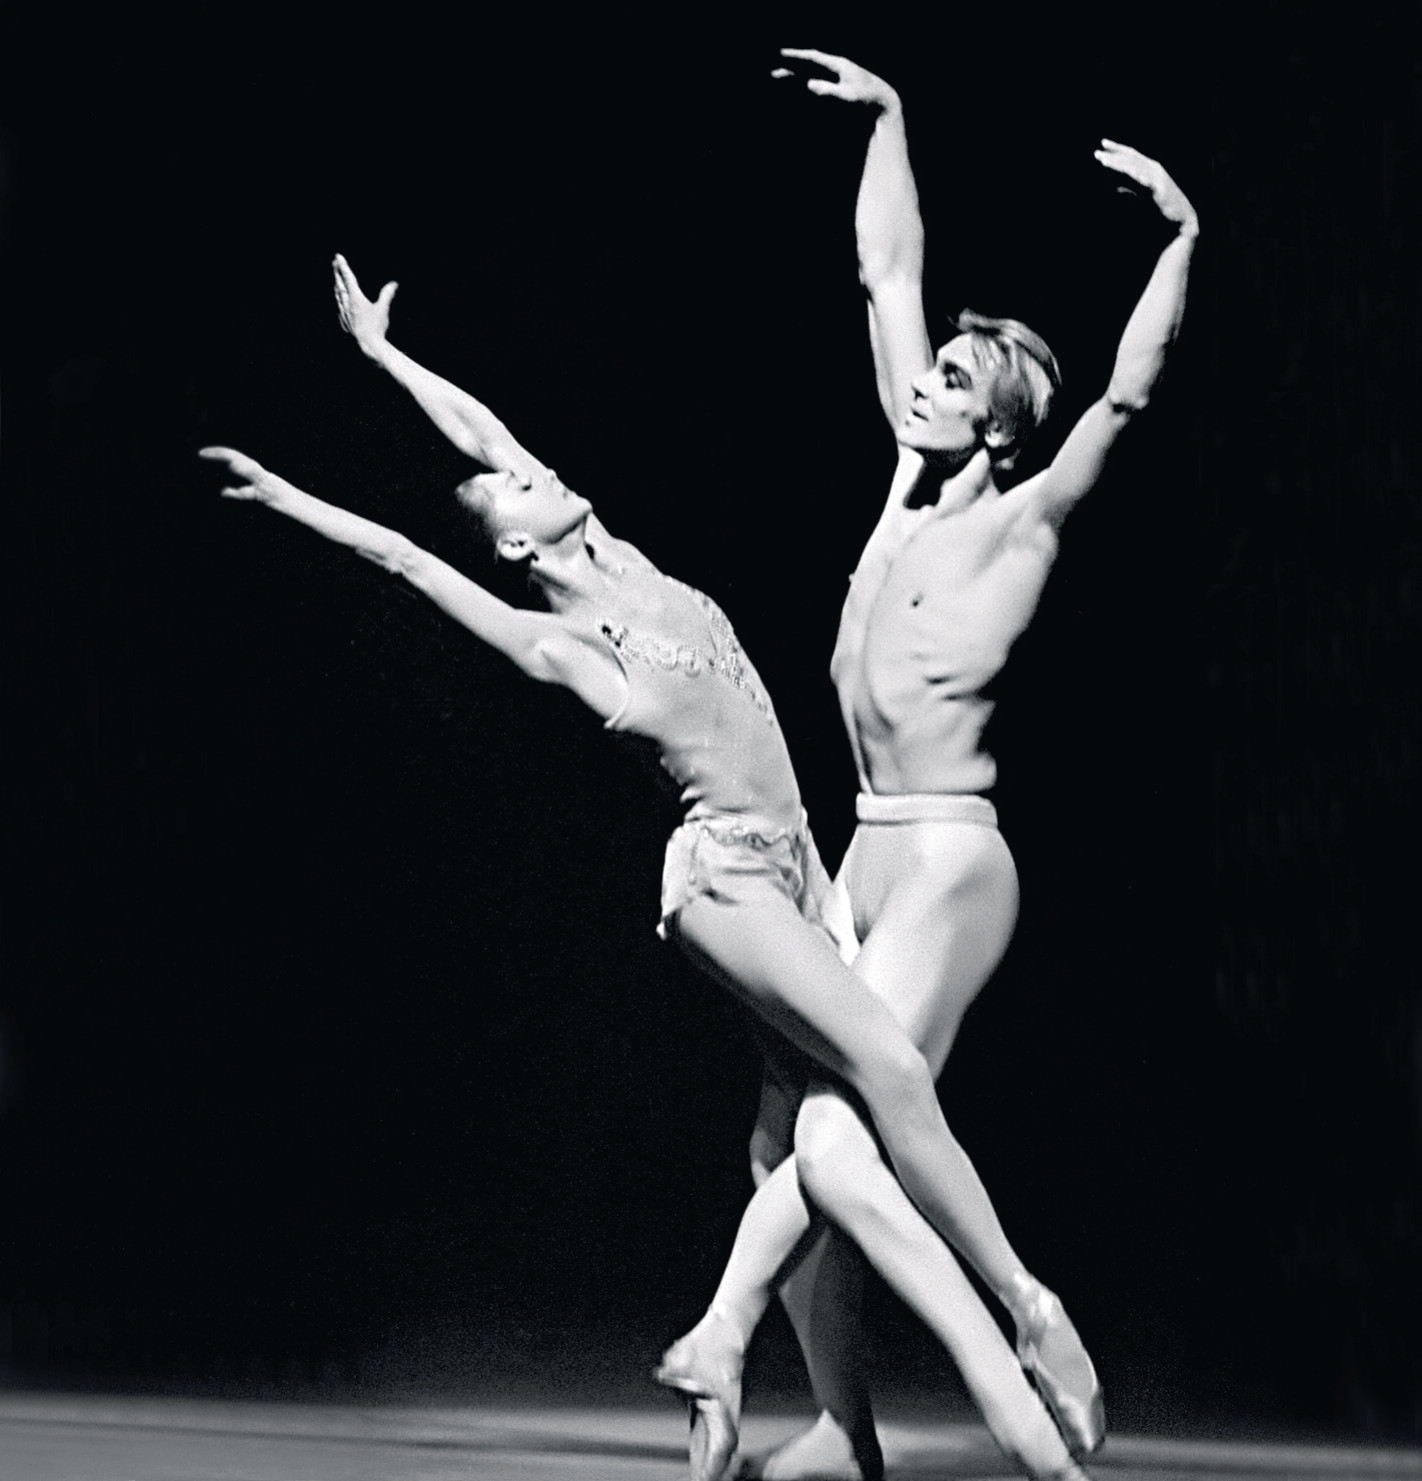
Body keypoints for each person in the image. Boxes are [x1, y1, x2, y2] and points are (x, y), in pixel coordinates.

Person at [196, 239, 1116, 1481]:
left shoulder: (612, 551)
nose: (530, 473)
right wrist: (287, 496)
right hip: (725, 886)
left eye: (525, 470)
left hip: (800, 866)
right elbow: (409, 560)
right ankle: (1018, 1336)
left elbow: (483, 430)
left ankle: (801, 1407)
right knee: (888, 1073)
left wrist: (383, 357)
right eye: (514, 491)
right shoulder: (572, 646)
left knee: (792, 1153)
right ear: (518, 549)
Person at [655, 48, 1198, 1481]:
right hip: (863, 844)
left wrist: (1182, 242)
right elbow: (886, 273)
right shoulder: (904, 482)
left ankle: (1011, 1312)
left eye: (951, 380)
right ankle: (845, 1428)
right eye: (930, 372)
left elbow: (1125, 401)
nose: (922, 384)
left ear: (994, 421)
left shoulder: (1016, 525)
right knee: (781, 1148)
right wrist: (890, 119)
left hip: (953, 859)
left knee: (842, 1142)